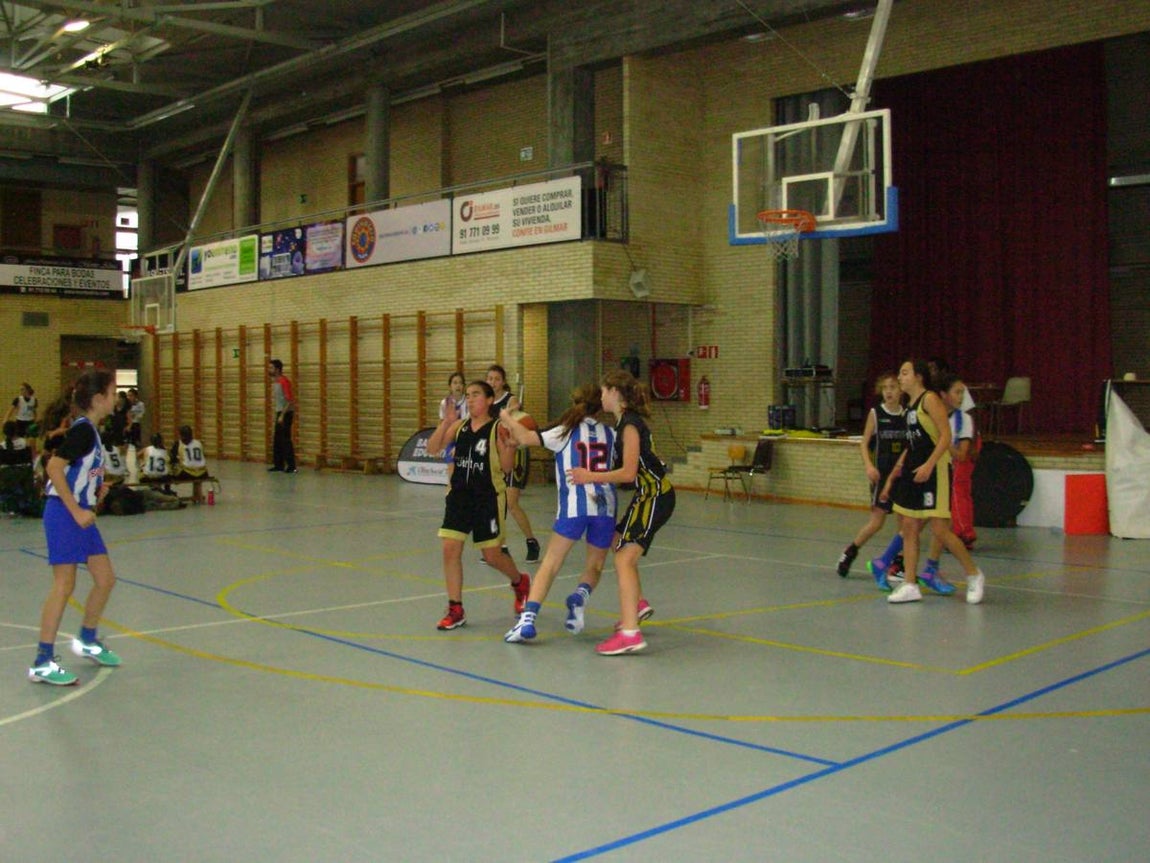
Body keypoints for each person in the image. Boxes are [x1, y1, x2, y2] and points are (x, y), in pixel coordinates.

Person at [569, 369, 675, 655]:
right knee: (616, 540)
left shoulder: (629, 425)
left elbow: (628, 473)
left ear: (615, 392)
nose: (601, 396)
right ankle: (636, 605)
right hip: (646, 495)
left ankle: (630, 633)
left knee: (624, 559)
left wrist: (589, 476)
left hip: (655, 496)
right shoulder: (624, 423)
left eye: (604, 391)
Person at [502, 383, 618, 643]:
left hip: (574, 507)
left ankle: (527, 620)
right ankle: (580, 595)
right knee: (595, 565)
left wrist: (506, 416)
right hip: (605, 506)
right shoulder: (611, 433)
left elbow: (526, 438)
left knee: (551, 564)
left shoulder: (565, 431)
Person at [29, 369, 123, 685]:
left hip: (78, 513)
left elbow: (80, 472)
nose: (116, 399)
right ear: (98, 399)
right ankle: (42, 662)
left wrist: (96, 490)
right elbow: (54, 468)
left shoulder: (91, 432)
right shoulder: (82, 431)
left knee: (105, 579)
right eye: (112, 393)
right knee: (64, 585)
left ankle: (87, 639)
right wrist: (76, 509)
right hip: (63, 513)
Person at [427, 380, 531, 631]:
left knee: (492, 555)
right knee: (450, 549)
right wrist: (445, 422)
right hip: (459, 497)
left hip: (487, 498)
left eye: (476, 394)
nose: (471, 399)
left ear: (489, 400)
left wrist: (510, 447)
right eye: (469, 395)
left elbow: (506, 468)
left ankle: (520, 582)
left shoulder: (497, 429)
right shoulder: (459, 426)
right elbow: (433, 448)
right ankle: (455, 608)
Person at [881, 359, 986, 605]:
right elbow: (912, 444)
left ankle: (974, 574)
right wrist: (896, 473)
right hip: (913, 470)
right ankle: (910, 584)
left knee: (940, 529)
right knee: (909, 526)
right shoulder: (909, 406)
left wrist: (929, 464)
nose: (900, 377)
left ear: (918, 377)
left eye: (904, 373)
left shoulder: (929, 399)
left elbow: (945, 436)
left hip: (935, 471)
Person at [836, 372, 907, 582]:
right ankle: (850, 551)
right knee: (877, 522)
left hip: (901, 475)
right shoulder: (876, 413)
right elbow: (864, 442)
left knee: (905, 524)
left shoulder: (907, 415)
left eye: (893, 387)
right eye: (885, 388)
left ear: (901, 390)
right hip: (882, 476)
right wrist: (869, 466)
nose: (889, 392)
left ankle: (898, 565)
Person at [916, 373, 979, 590]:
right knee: (914, 523)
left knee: (940, 526)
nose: (961, 397)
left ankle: (931, 569)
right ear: (943, 394)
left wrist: (944, 441)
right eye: (957, 392)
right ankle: (894, 562)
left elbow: (961, 455)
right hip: (925, 473)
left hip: (944, 476)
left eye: (963, 392)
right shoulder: (930, 414)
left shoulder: (964, 420)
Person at [487, 364, 540, 563]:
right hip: (496, 455)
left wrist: (505, 417)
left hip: (515, 453)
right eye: (490, 379)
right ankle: (501, 547)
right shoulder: (485, 402)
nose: (493, 382)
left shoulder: (511, 400)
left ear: (503, 381)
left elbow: (517, 421)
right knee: (495, 503)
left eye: (496, 379)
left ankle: (531, 541)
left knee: (511, 503)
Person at [268, 358, 297, 473]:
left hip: (286, 413)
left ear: (277, 369)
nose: (269, 369)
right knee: (277, 440)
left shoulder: (284, 381)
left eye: (271, 367)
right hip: (280, 412)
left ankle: (291, 466)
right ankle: (278, 465)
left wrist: (282, 415)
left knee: (285, 440)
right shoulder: (276, 382)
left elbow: (289, 401)